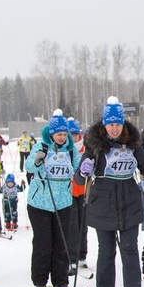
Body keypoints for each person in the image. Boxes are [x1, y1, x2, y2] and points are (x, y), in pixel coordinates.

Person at [75, 97, 144, 287]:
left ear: (123, 124)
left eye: (118, 124)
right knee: (107, 251)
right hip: (104, 203)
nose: (114, 128)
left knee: (130, 250)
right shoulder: (94, 146)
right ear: (104, 125)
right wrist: (84, 171)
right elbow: (80, 179)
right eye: (111, 124)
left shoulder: (132, 143)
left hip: (129, 201)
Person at [25, 109, 80, 287]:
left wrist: (88, 168)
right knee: (43, 241)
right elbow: (29, 166)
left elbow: (80, 170)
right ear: (51, 134)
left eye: (65, 134)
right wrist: (38, 161)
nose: (62, 138)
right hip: (39, 202)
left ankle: (60, 279)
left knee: (61, 242)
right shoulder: (41, 147)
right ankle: (40, 279)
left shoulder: (71, 151)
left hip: (63, 202)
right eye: (59, 134)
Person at [66, 117, 89, 273]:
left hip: (85, 190)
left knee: (83, 225)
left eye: (74, 134)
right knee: (72, 225)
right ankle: (72, 258)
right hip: (69, 192)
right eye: (69, 134)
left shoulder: (85, 149)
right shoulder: (64, 149)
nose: (72, 137)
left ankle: (82, 256)